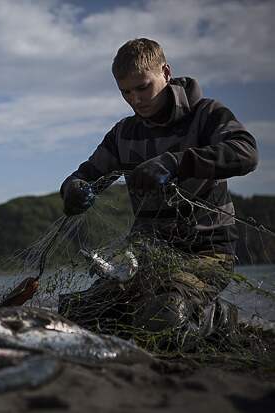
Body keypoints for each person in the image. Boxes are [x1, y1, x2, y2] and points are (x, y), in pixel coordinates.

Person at [59, 38, 258, 347]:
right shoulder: (123, 133)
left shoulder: (205, 115)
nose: (135, 99)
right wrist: (73, 189)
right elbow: (85, 175)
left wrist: (177, 161)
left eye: (143, 87)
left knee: (161, 319)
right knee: (79, 316)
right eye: (126, 92)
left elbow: (246, 153)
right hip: (144, 257)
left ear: (165, 73)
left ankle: (216, 316)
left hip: (207, 253)